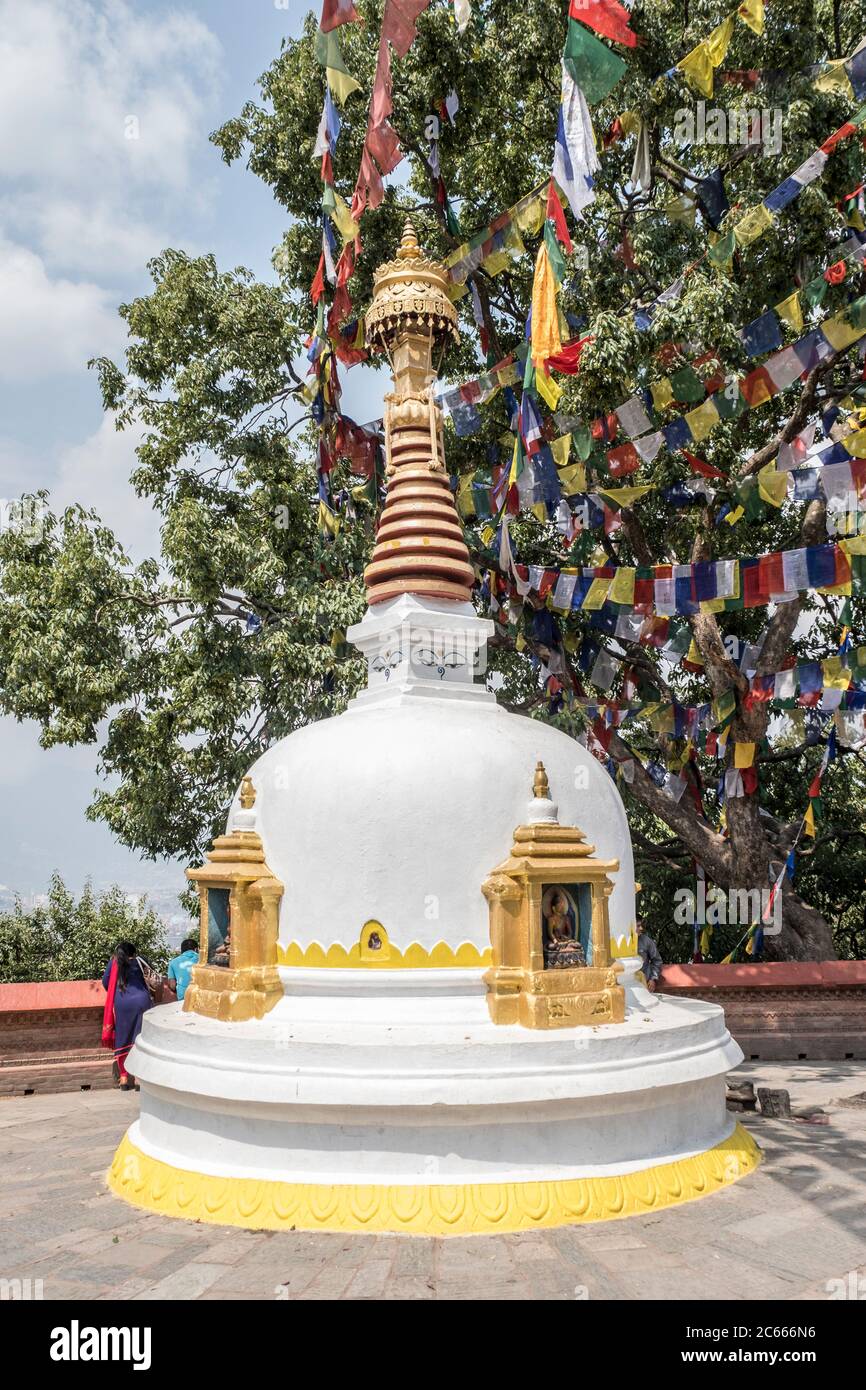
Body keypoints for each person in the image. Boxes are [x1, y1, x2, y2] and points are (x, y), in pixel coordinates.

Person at [101, 942, 152, 1090]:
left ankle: (123, 1077)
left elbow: (105, 983)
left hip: (122, 1003)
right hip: (142, 1001)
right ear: (133, 952)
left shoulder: (114, 963)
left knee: (123, 1037)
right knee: (140, 1037)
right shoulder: (141, 961)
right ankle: (137, 1078)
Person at [637, 920, 663, 992]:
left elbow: (657, 960)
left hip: (645, 984)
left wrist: (653, 978)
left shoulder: (647, 941)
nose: (641, 928)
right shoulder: (620, 942)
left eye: (641, 925)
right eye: (638, 926)